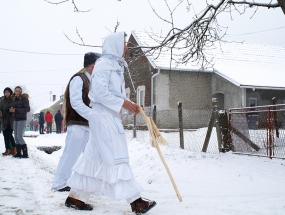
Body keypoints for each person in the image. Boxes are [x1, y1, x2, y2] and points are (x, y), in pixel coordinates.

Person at [65, 32, 156, 214]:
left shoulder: (114, 65)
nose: (126, 47)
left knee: (93, 157)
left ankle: (76, 197)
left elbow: (115, 94)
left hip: (108, 117)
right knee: (117, 156)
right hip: (104, 119)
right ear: (114, 44)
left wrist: (131, 106)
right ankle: (135, 201)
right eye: (123, 43)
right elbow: (99, 93)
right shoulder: (104, 65)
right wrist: (124, 103)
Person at [51, 52, 100, 192]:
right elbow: (76, 102)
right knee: (70, 154)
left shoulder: (93, 80)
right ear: (92, 66)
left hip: (88, 125)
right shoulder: (78, 79)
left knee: (91, 156)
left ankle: (89, 184)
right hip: (78, 123)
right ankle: (59, 183)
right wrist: (93, 115)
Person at [10, 86, 30, 158]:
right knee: (15, 136)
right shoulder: (15, 99)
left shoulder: (24, 99)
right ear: (14, 92)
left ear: (21, 91)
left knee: (19, 136)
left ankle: (25, 153)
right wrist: (12, 110)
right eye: (16, 91)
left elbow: (27, 109)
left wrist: (16, 110)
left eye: (19, 91)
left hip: (22, 119)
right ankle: (18, 152)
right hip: (16, 119)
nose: (17, 92)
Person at [0, 87, 17, 156]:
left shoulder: (13, 100)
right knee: (5, 135)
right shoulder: (1, 100)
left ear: (10, 93)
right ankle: (7, 149)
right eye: (5, 92)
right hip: (3, 119)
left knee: (9, 134)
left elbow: (16, 108)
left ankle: (14, 148)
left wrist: (13, 110)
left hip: (11, 119)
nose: (6, 93)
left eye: (8, 92)